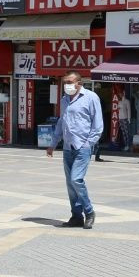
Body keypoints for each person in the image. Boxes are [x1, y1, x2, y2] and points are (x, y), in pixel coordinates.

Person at [46, 70, 103, 229]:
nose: (67, 85)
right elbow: (61, 122)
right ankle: (76, 216)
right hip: (67, 147)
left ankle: (89, 212)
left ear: (79, 83)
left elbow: (98, 125)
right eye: (65, 83)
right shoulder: (64, 100)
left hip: (82, 147)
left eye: (70, 82)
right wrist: (53, 143)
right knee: (70, 185)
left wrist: (88, 143)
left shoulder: (91, 98)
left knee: (76, 179)